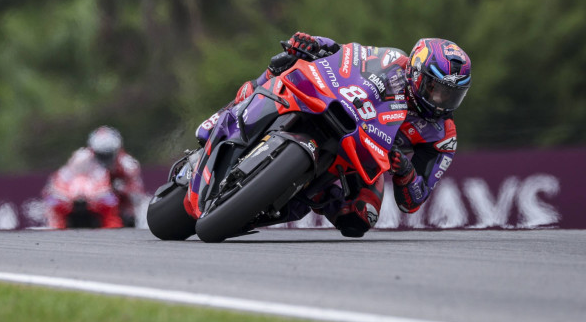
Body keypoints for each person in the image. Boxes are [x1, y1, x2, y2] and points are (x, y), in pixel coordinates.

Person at [196, 32, 471, 238]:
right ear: (416, 72)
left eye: (451, 95)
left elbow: (414, 201)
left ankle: (279, 202)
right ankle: (234, 110)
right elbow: (347, 53)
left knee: (362, 218)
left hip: (363, 158)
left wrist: (406, 172)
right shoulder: (392, 61)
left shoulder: (442, 134)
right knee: (284, 63)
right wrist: (314, 43)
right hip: (341, 110)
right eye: (436, 89)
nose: (441, 101)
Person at [47, 126, 145, 228]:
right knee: (56, 201)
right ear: (93, 150)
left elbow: (136, 189)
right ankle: (55, 226)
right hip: (92, 194)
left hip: (116, 196)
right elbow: (66, 175)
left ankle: (118, 228)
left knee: (128, 215)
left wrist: (123, 190)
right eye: (100, 154)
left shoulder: (127, 164)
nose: (104, 159)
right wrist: (70, 192)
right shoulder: (81, 158)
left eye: (108, 154)